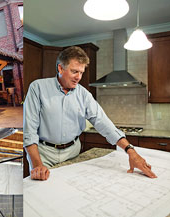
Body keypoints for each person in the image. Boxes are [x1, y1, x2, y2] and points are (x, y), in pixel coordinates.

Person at [23, 46, 157, 181]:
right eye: (74, 71)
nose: (78, 77)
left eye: (81, 72)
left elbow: (103, 122)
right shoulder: (38, 88)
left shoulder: (84, 95)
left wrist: (130, 151)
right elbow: (30, 130)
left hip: (73, 153)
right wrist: (37, 164)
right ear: (60, 68)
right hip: (44, 155)